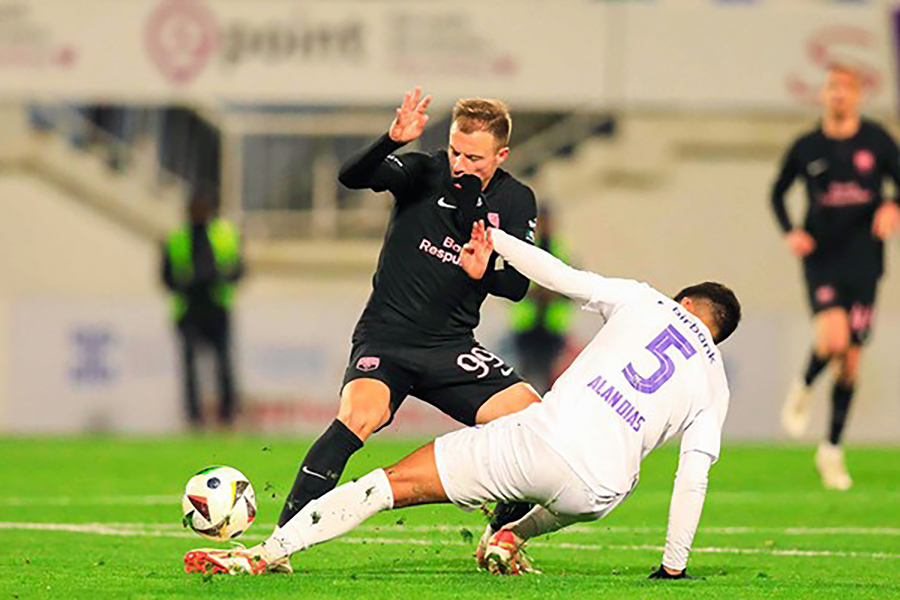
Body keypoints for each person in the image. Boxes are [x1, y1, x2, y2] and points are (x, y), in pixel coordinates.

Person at [184, 221, 741, 579]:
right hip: (599, 492)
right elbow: (693, 477)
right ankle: (511, 536)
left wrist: (495, 238)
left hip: (539, 445)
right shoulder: (715, 384)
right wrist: (672, 568)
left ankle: (265, 554)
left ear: (686, 301)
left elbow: (560, 275)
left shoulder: (646, 300)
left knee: (384, 486)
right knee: (608, 480)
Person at [272, 88, 542, 534]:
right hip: (387, 339)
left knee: (534, 423)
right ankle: (282, 540)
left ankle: (500, 538)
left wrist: (483, 275)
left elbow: (517, 287)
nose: (460, 164)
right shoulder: (424, 171)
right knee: (358, 417)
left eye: (474, 158)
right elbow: (351, 177)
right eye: (456, 151)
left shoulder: (516, 200)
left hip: (450, 347)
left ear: (502, 155)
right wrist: (391, 141)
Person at [772, 63, 900, 490]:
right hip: (822, 257)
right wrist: (791, 231)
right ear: (823, 94)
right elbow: (777, 191)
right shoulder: (808, 146)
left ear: (859, 95)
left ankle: (831, 449)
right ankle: (804, 385)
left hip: (865, 260)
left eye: (847, 87)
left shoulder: (877, 141)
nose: (839, 94)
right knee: (833, 340)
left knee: (851, 362)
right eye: (833, 87)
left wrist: (891, 205)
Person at [161, 186, 244, 429]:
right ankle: (194, 417)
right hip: (189, 308)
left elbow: (238, 270)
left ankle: (227, 416)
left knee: (223, 364)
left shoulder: (225, 234)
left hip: (216, 306)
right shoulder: (177, 237)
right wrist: (187, 283)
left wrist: (219, 277)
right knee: (190, 366)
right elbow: (166, 276)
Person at [508, 205, 573, 394]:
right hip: (527, 324)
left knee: (548, 378)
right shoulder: (526, 249)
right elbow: (511, 285)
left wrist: (552, 294)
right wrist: (538, 293)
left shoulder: (561, 251)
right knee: (523, 376)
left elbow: (574, 290)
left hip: (552, 325)